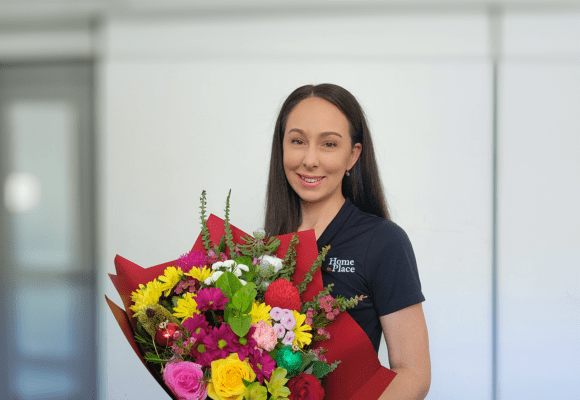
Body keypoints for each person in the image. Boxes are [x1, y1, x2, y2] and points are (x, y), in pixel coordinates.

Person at [264, 84, 431, 399]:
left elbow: (414, 373)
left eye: (328, 144)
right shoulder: (263, 252)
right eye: (297, 141)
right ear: (282, 147)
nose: (310, 159)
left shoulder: (383, 242)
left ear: (353, 155)